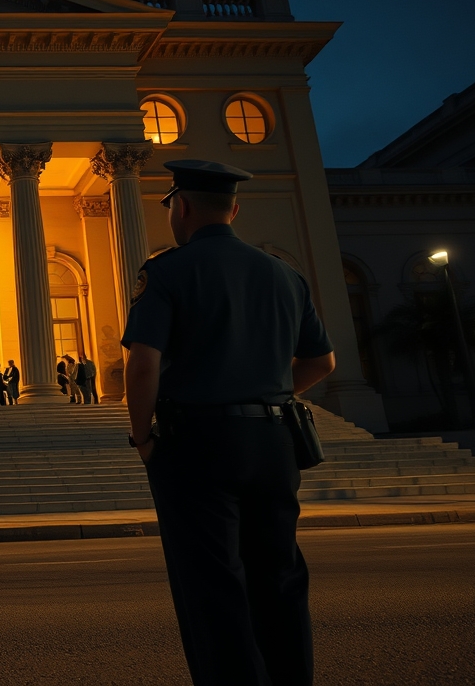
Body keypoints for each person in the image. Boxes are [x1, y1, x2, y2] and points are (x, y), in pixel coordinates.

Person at [122, 159, 336, 686]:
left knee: (213, 586)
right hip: (273, 442)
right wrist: (270, 393)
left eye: (170, 205)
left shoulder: (169, 271)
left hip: (197, 444)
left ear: (182, 206)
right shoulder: (286, 275)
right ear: (234, 210)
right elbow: (322, 362)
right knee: (280, 577)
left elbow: (143, 362)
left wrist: (144, 437)